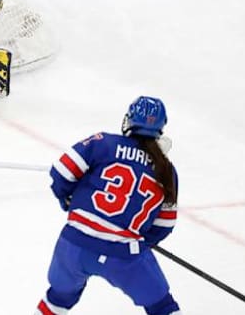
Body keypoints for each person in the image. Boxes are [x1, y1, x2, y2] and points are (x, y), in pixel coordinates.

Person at [35, 96, 180, 315]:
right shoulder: (167, 171)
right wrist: (138, 241)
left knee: (59, 298)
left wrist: (67, 200)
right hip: (124, 255)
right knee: (162, 307)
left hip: (74, 244)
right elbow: (163, 226)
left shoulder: (104, 142)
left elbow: (61, 172)